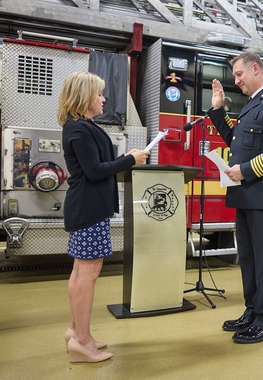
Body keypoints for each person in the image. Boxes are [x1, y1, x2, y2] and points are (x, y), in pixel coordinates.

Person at [207, 50, 263, 344]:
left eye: (239, 74)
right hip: (247, 194)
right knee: (248, 258)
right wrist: (218, 111)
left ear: (255, 68)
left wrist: (245, 170)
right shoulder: (252, 104)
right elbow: (237, 142)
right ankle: (254, 310)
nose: (236, 81)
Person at [59, 71, 149, 362]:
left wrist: (127, 159)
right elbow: (95, 171)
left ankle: (76, 332)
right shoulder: (79, 129)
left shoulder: (82, 126)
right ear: (85, 97)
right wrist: (130, 159)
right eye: (99, 94)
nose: (104, 98)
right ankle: (82, 341)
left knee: (80, 272)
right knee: (88, 274)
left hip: (87, 207)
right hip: (89, 209)